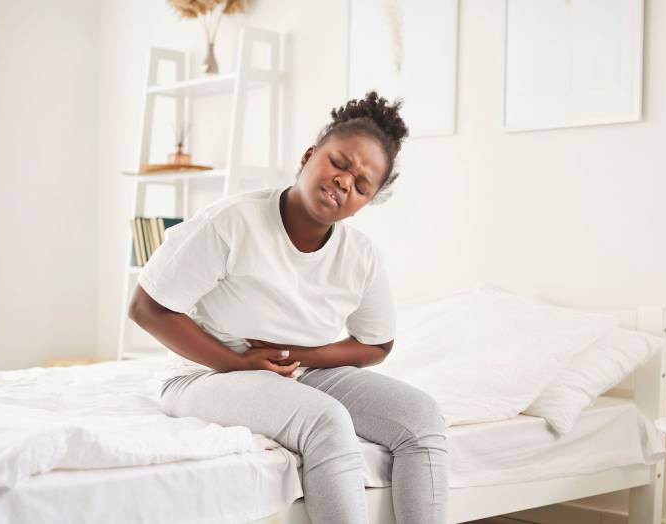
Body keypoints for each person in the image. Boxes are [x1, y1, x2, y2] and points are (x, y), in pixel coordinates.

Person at [128, 91, 448, 524]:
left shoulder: (361, 256)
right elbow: (147, 307)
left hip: (300, 373)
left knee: (422, 417)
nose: (344, 182)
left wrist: (300, 356)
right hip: (204, 375)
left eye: (361, 185)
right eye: (339, 163)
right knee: (326, 421)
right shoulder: (232, 223)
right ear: (309, 156)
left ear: (365, 202)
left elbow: (377, 344)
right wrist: (238, 362)